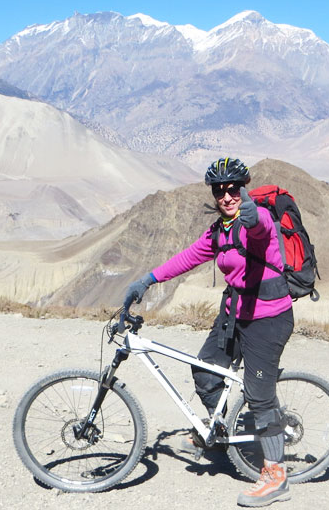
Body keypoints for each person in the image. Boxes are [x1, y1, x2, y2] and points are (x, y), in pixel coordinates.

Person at [124, 157, 293, 507]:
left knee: (259, 394)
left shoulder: (256, 218)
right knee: (204, 371)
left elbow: (260, 227)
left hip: (268, 319)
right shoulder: (220, 230)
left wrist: (252, 213)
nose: (227, 196)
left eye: (233, 189)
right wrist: (147, 280)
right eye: (220, 191)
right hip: (234, 313)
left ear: (243, 188)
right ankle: (218, 429)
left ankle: (275, 475)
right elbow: (187, 257)